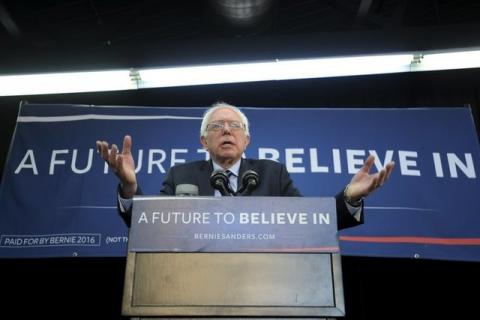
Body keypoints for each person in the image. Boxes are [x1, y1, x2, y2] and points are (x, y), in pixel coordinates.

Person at [96, 102, 395, 229]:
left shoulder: (272, 174)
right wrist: (130, 186)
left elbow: (310, 223)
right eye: (217, 126)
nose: (227, 130)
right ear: (203, 141)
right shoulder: (181, 175)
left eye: (234, 125)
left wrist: (350, 197)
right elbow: (150, 227)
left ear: (247, 139)